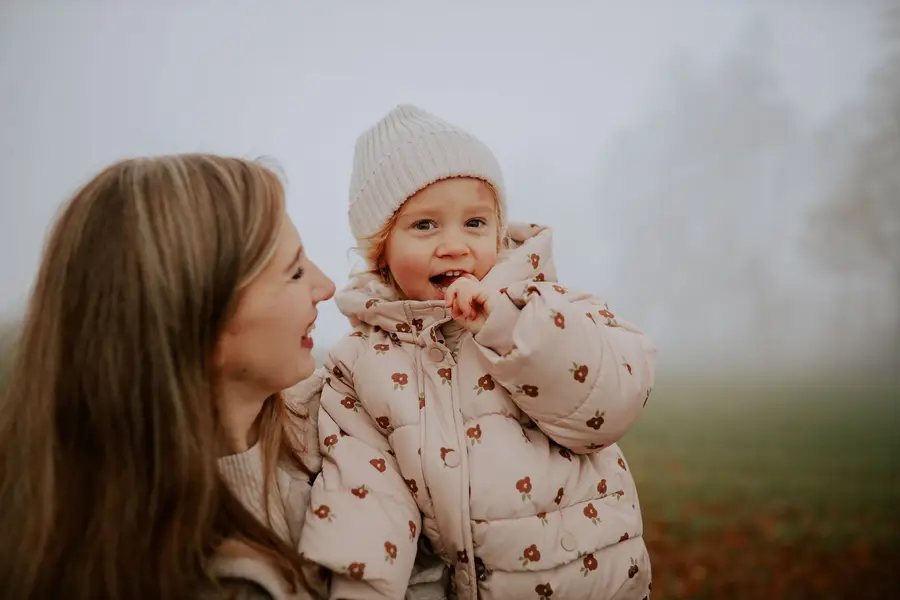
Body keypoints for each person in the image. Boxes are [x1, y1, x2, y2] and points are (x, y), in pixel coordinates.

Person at [298, 104, 658, 600]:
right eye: (424, 225)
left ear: (497, 229)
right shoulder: (361, 364)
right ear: (381, 248)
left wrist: (508, 326)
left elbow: (608, 407)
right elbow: (365, 502)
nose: (453, 245)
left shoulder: (545, 306)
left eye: (474, 222)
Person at [0, 154, 336, 600]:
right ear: (200, 320)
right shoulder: (217, 585)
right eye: (294, 272)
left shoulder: (335, 432)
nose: (326, 286)